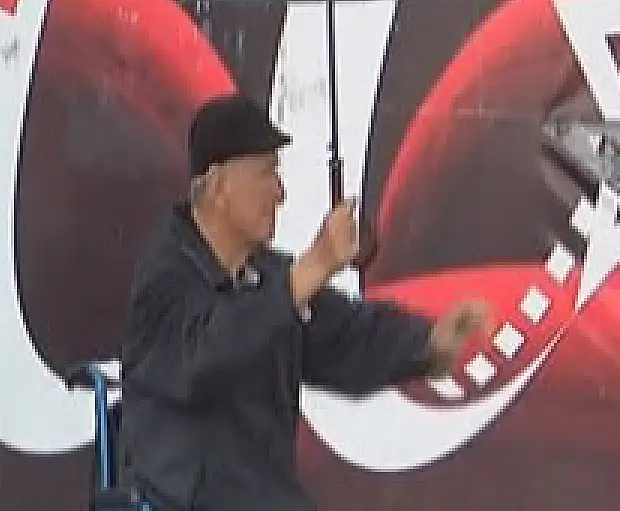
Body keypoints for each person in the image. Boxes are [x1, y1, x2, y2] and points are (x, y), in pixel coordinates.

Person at [117, 94, 490, 511]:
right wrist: (312, 268)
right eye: (266, 173)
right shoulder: (165, 277)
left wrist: (429, 343)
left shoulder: (267, 275)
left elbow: (344, 336)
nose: (280, 193)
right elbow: (206, 357)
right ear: (219, 185)